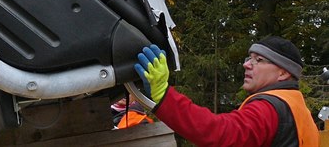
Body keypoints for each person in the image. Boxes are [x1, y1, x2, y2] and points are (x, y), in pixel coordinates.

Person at [134, 36, 319, 146]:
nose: (246, 64)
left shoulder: (269, 108)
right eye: (249, 58)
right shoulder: (298, 109)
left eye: (259, 60)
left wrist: (164, 95)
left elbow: (218, 133)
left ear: (283, 73)